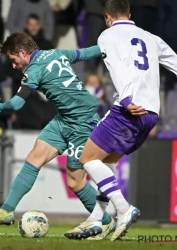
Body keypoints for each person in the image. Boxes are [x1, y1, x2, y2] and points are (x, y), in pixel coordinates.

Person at [0, 32, 116, 240]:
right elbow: (87, 52)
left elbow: (15, 105)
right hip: (64, 119)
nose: (14, 65)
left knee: (75, 182)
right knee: (34, 157)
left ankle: (106, 223)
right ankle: (6, 210)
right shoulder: (55, 53)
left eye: (13, 60)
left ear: (23, 53)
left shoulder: (33, 70)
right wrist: (110, 45)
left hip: (82, 122)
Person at [68, 0, 177, 241]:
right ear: (130, 14)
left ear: (107, 17)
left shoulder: (108, 36)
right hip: (150, 114)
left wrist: (126, 100)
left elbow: (116, 68)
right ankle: (97, 219)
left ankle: (123, 208)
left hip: (128, 109)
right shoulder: (151, 37)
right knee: (106, 160)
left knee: (86, 158)